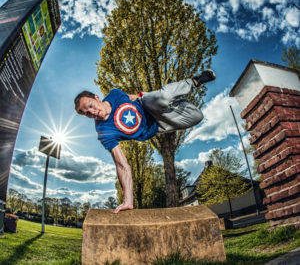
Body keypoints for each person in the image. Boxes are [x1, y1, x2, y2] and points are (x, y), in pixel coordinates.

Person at [74, 70, 216, 213]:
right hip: (157, 125)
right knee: (197, 116)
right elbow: (121, 165)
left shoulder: (114, 94)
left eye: (91, 105)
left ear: (97, 98)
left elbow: (130, 97)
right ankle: (176, 97)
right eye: (87, 113)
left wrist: (145, 96)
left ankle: (193, 82)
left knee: (164, 96)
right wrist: (128, 201)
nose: (92, 112)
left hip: (147, 104)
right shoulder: (104, 132)